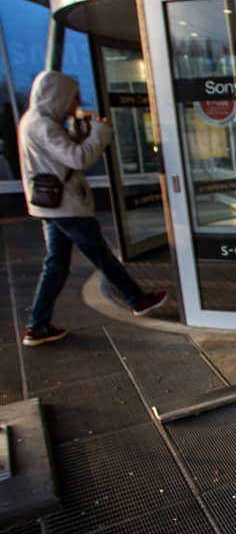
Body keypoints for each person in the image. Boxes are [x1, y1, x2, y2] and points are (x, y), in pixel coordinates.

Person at [18, 71, 167, 346]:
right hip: (66, 206)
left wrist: (77, 134)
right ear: (57, 95)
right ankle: (137, 299)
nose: (75, 104)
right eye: (72, 98)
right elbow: (78, 158)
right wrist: (99, 134)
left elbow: (59, 156)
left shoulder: (34, 121)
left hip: (53, 206)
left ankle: (37, 325)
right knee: (100, 255)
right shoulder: (43, 124)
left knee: (56, 265)